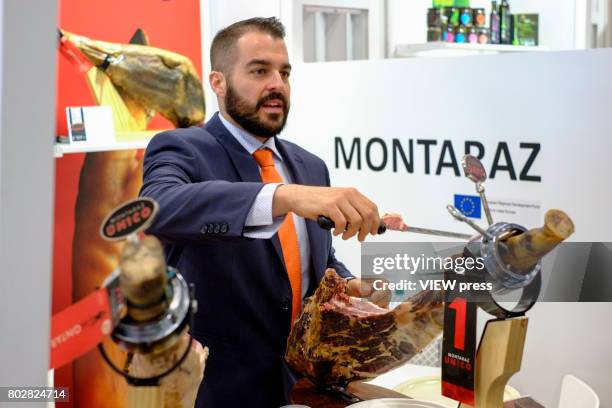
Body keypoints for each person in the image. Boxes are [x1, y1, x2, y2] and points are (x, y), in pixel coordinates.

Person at [141, 16, 387, 407]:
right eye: (259, 71)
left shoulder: (311, 167)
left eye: (284, 73)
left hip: (302, 384)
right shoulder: (181, 149)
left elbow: (313, 261)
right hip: (214, 389)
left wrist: (348, 285)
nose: (277, 84)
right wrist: (282, 197)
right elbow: (158, 208)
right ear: (218, 82)